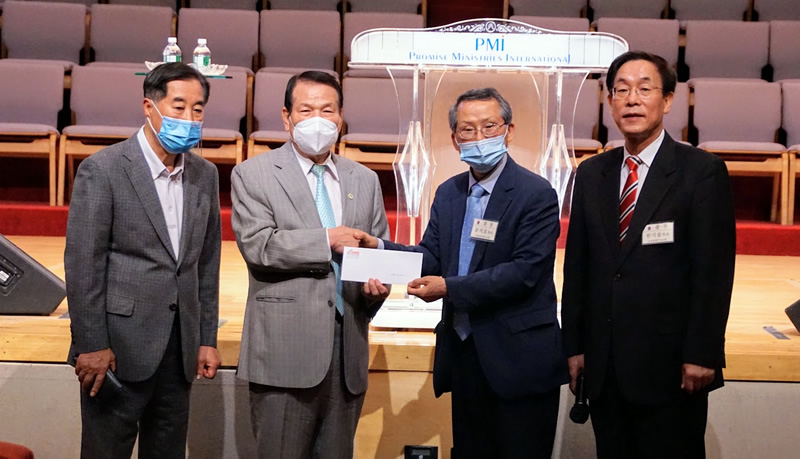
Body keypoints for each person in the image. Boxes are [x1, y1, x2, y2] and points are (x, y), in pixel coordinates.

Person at [358, 87, 568, 458]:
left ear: (508, 131)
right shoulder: (449, 193)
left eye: (490, 127)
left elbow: (523, 272)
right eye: (468, 130)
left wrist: (448, 288)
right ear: (455, 139)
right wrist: (377, 249)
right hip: (465, 352)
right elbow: (431, 257)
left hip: (518, 357)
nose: (479, 137)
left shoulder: (535, 193)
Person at [561, 51, 736, 458]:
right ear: (610, 102)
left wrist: (703, 353)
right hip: (605, 366)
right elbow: (578, 269)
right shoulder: (592, 174)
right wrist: (575, 345)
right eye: (621, 90)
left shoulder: (701, 172)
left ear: (668, 100)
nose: (632, 100)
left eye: (644, 89)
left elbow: (713, 274)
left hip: (671, 368)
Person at [65, 62, 222, 458]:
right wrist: (91, 344)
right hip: (117, 351)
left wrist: (206, 338)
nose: (189, 119)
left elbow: (206, 264)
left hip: (179, 350)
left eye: (198, 110)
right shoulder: (104, 169)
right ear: (149, 108)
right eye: (179, 107)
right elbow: (83, 266)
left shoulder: (204, 174)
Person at [231, 70, 390, 459]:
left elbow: (376, 252)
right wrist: (326, 239)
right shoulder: (253, 174)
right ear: (287, 117)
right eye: (306, 110)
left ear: (341, 118)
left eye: (327, 110)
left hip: (347, 355)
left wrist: (377, 289)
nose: (318, 119)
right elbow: (259, 245)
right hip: (285, 352)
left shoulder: (364, 179)